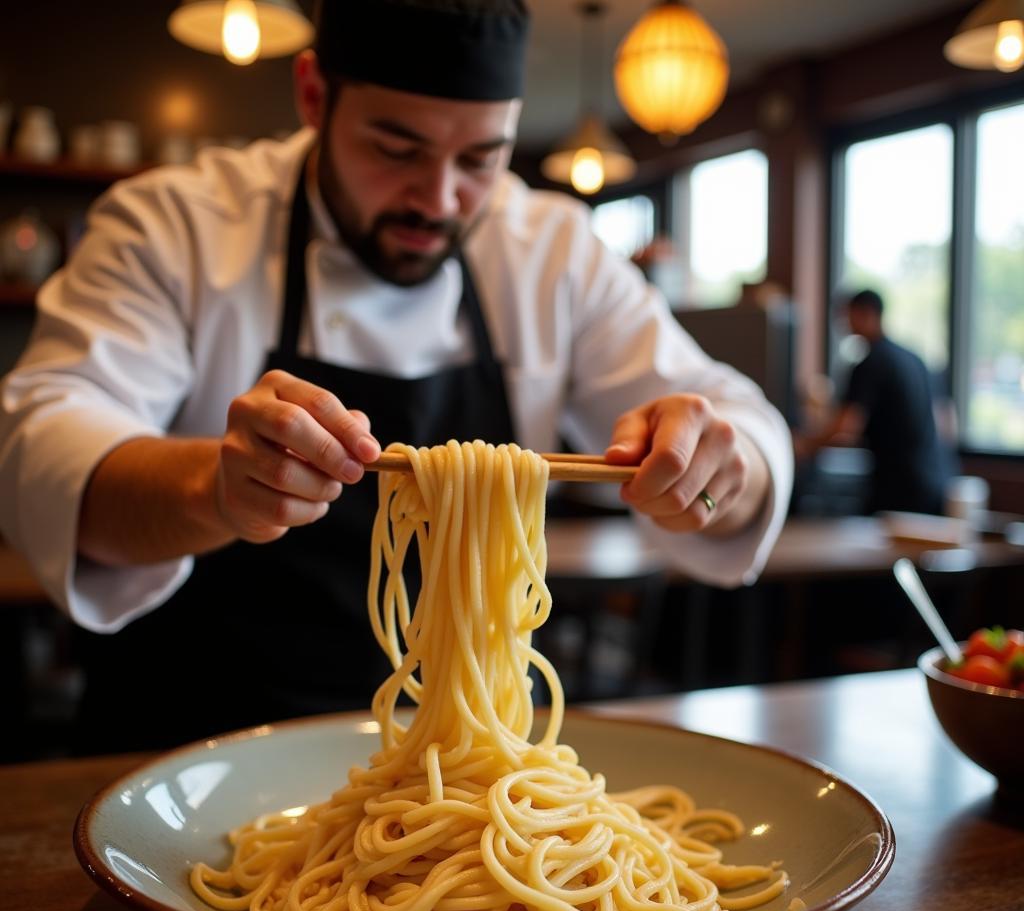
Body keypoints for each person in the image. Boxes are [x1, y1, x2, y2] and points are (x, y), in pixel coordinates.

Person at [0, 0, 792, 753]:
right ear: (314, 95)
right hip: (191, 747)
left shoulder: (551, 249)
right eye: (396, 148)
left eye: (482, 157)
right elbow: (42, 446)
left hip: (475, 779)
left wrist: (721, 470)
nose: (440, 199)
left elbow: (733, 420)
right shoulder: (175, 226)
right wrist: (213, 486)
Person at [795, 289, 949, 515]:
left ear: (864, 313)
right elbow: (945, 421)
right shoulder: (913, 358)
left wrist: (805, 445)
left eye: (847, 316)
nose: (844, 324)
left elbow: (846, 427)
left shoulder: (871, 363)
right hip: (935, 481)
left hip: (899, 487)